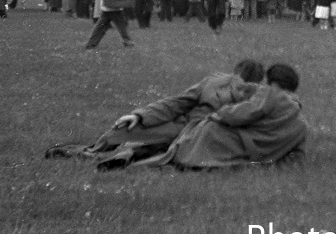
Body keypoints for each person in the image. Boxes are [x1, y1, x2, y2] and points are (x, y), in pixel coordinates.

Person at [46, 59, 266, 163]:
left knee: (165, 152)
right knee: (122, 131)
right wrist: (139, 115)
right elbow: (176, 103)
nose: (242, 95)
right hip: (180, 126)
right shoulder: (212, 83)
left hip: (206, 140)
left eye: (248, 91)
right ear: (231, 78)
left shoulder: (264, 102)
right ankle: (90, 152)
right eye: (238, 88)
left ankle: (127, 156)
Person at [132, 63, 308, 170]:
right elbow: (296, 155)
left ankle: (134, 156)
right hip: (246, 156)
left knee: (177, 148)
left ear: (273, 82)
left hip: (214, 139)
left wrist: (220, 113)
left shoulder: (272, 95)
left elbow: (240, 115)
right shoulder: (301, 124)